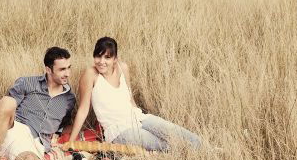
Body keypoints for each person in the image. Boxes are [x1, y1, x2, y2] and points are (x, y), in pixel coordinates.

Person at [67, 37, 202, 151]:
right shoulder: (90, 74)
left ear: (115, 59)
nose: (101, 61)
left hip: (138, 118)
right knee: (163, 145)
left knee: (175, 131)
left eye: (107, 57)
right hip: (118, 130)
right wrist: (71, 142)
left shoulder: (122, 67)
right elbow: (84, 109)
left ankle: (210, 150)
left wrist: (142, 118)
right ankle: (191, 153)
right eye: (98, 56)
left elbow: (129, 98)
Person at [0, 46, 76, 160]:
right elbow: (2, 110)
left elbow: (63, 125)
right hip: (13, 130)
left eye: (69, 67)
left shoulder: (69, 99)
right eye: (62, 69)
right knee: (7, 101)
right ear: (48, 69)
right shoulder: (27, 83)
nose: (68, 73)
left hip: (35, 143)